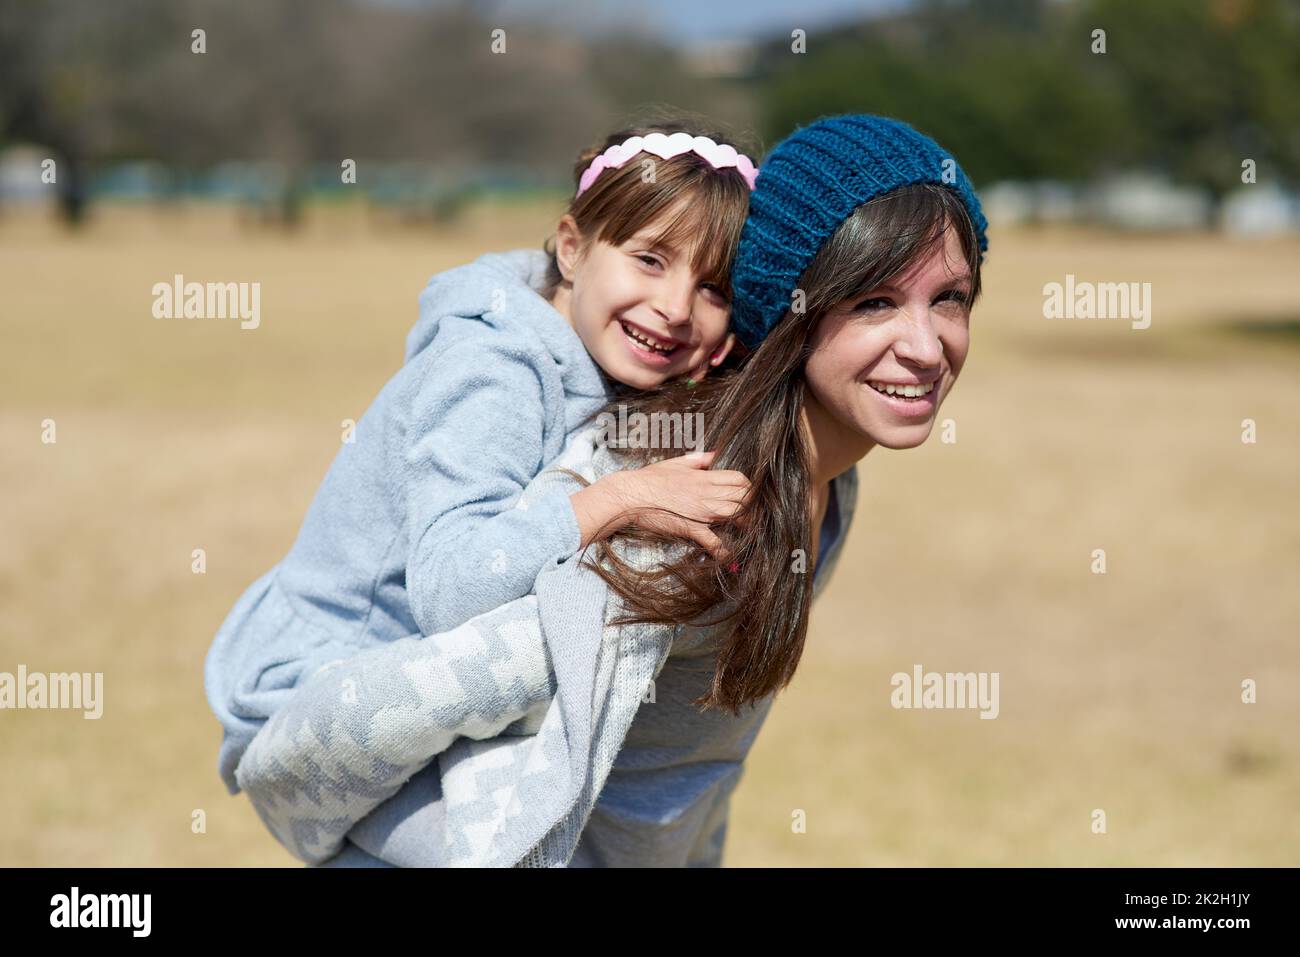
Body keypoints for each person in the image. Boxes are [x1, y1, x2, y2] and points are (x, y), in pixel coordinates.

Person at [219, 113, 990, 868]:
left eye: (950, 297)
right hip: (320, 676)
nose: (925, 347)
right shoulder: (647, 484)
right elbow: (429, 646)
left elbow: (691, 775)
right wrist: (611, 502)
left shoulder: (826, 491)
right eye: (875, 300)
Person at [203, 118, 759, 795]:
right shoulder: (495, 368)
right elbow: (450, 586)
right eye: (650, 259)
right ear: (573, 249)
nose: (675, 307)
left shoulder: (606, 350)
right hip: (315, 684)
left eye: (714, 290)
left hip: (409, 696)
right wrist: (623, 498)